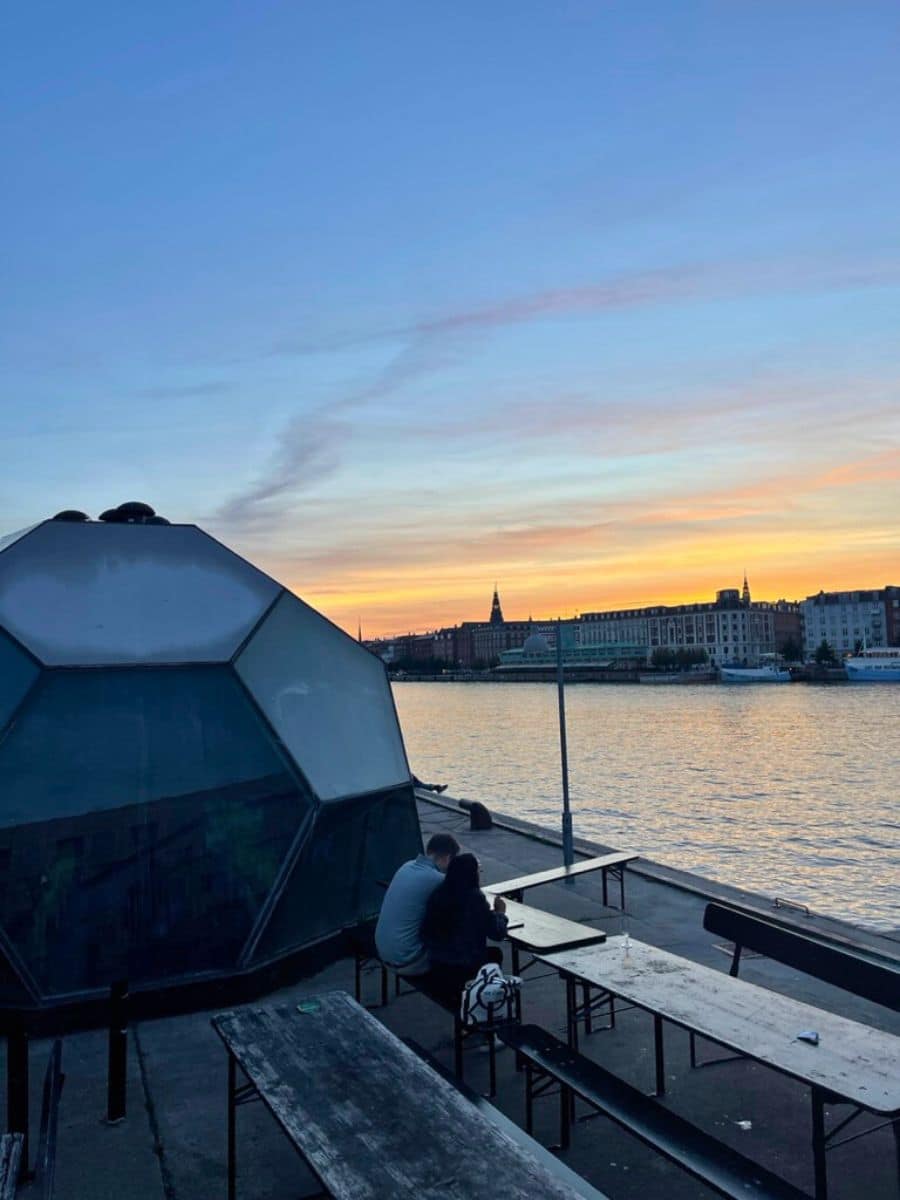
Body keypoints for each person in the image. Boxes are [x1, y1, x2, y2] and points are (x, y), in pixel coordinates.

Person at [421, 852, 508, 1003]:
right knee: (495, 955)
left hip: (437, 965)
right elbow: (497, 933)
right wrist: (500, 913)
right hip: (462, 968)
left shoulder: (438, 893)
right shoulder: (474, 898)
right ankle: (485, 1002)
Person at [375, 833, 459, 975]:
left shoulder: (406, 866)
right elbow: (464, 898)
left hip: (383, 951)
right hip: (408, 960)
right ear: (447, 858)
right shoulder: (437, 879)